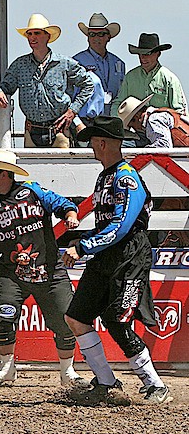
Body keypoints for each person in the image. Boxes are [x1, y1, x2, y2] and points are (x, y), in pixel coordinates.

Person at [0, 149, 87, 388]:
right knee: (1, 316)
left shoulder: (32, 191)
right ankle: (7, 368)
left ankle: (68, 372)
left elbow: (63, 204)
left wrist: (71, 216)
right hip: (11, 272)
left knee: (66, 319)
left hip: (50, 269)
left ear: (5, 174)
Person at [63, 116, 172, 404]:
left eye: (93, 142)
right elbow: (108, 225)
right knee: (76, 317)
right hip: (107, 255)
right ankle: (106, 381)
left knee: (116, 320)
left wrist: (84, 246)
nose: (91, 148)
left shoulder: (126, 177)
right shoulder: (105, 177)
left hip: (129, 257)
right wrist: (84, 242)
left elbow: (122, 225)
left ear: (102, 142)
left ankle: (154, 384)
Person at [0, 14, 93, 148]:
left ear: (48, 36)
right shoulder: (19, 65)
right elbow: (5, 86)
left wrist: (72, 111)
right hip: (32, 130)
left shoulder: (64, 63)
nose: (32, 37)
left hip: (59, 129)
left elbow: (88, 84)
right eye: (29, 34)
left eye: (37, 33)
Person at [111, 33, 187, 116]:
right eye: (140, 54)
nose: (142, 58)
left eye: (147, 54)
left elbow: (179, 112)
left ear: (158, 54)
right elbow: (118, 104)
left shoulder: (170, 79)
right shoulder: (130, 77)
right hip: (133, 127)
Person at [73, 13, 125, 116]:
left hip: (112, 119)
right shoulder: (76, 63)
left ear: (108, 37)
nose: (96, 38)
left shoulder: (118, 63)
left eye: (100, 34)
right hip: (88, 120)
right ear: (88, 37)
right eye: (92, 34)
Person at [118, 95, 189, 148]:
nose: (134, 129)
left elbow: (163, 146)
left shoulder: (153, 119)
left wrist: (142, 152)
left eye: (132, 125)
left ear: (136, 116)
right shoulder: (157, 115)